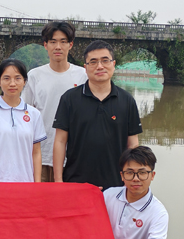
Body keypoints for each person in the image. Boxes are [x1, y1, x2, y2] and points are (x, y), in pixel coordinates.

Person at [53, 40, 142, 190]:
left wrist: (131, 179)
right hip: (76, 183)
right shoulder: (69, 99)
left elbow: (132, 145)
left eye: (105, 61)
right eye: (93, 62)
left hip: (116, 185)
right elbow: (60, 141)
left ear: (113, 64)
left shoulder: (127, 100)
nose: (100, 66)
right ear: (85, 68)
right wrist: (58, 182)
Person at [22, 21, 87, 182]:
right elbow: (24, 115)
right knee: (39, 197)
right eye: (53, 42)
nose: (58, 47)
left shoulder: (83, 76)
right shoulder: (34, 76)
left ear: (70, 45)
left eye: (63, 41)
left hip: (73, 157)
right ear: (45, 45)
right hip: (40, 154)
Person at [0, 59, 46, 182]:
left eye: (17, 78)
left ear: (24, 81)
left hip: (25, 182)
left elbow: (36, 152)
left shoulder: (34, 114)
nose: (12, 83)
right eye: (6, 78)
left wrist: (37, 184)